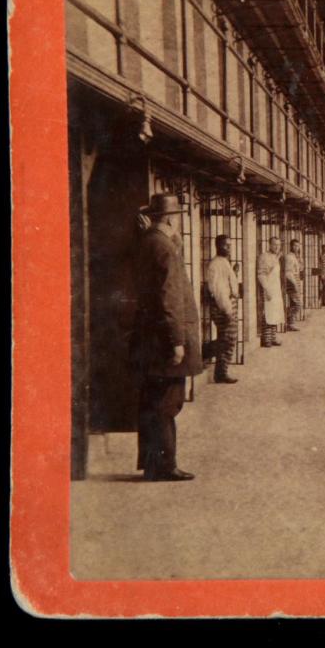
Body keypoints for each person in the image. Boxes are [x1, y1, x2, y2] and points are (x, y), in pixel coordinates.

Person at [131, 193, 203, 481]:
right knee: (168, 404)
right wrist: (177, 342)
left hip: (149, 338)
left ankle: (151, 464)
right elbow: (170, 298)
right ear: (172, 219)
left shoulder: (148, 243)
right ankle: (164, 466)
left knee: (151, 402)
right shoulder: (165, 249)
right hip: (166, 340)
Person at [202, 233, 240, 384]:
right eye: (226, 245)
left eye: (230, 245)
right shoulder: (216, 264)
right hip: (223, 306)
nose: (229, 248)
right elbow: (218, 290)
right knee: (228, 339)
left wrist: (234, 273)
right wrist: (227, 310)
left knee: (229, 339)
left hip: (228, 304)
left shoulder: (224, 262)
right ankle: (205, 352)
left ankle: (221, 372)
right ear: (218, 246)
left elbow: (227, 282)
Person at [257, 236, 285, 347]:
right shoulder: (264, 257)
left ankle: (273, 337)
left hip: (276, 288)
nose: (277, 247)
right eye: (274, 244)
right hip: (268, 288)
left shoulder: (276, 257)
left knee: (275, 313)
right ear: (269, 244)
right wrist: (266, 289)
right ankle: (266, 339)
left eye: (278, 245)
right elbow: (261, 274)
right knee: (268, 314)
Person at [282, 239, 304, 332]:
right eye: (294, 245)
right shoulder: (289, 257)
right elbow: (288, 272)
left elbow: (300, 269)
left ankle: (290, 323)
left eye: (298, 246)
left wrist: (300, 260)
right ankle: (288, 321)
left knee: (293, 303)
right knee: (298, 304)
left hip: (296, 281)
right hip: (292, 283)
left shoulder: (295, 257)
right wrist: (294, 284)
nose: (296, 247)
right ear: (291, 246)